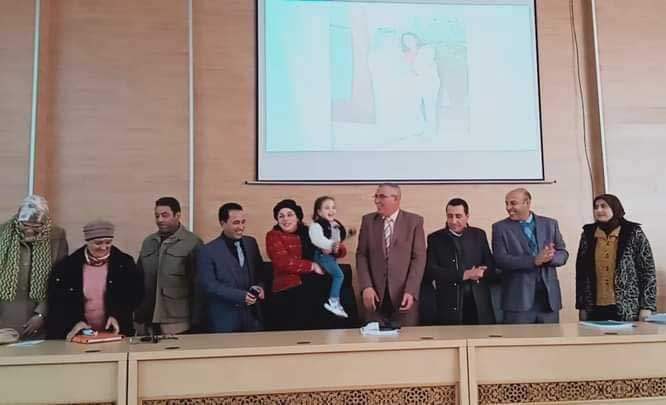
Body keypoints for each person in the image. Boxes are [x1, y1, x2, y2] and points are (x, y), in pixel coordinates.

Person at [46, 220, 144, 340]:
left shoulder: (125, 263)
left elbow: (135, 295)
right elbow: (58, 300)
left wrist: (117, 316)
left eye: (108, 242)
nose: (104, 247)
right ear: (88, 241)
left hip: (115, 333)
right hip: (79, 335)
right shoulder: (67, 266)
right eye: (98, 243)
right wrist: (75, 321)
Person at [492, 188, 568, 324]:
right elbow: (501, 260)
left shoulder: (550, 224)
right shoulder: (500, 228)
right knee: (518, 338)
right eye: (506, 203)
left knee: (551, 338)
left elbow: (563, 253)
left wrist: (550, 257)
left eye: (513, 203)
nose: (508, 208)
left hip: (548, 301)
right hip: (517, 302)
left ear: (527, 203)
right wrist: (534, 260)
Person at [576, 194, 656, 321]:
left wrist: (647, 306)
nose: (599, 210)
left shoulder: (633, 232)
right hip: (595, 307)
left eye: (604, 206)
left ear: (615, 208)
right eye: (596, 207)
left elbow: (648, 271)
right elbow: (581, 273)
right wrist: (582, 306)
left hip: (627, 306)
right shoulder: (588, 234)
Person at [356, 183, 426, 326]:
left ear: (396, 199)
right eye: (376, 196)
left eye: (382, 196)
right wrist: (366, 286)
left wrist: (411, 291)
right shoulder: (368, 221)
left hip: (404, 299)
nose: (377, 201)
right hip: (374, 298)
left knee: (407, 338)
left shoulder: (414, 222)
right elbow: (361, 255)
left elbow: (419, 258)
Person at [0, 195, 68, 339]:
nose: (29, 231)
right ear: (18, 214)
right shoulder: (2, 233)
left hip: (38, 318)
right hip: (5, 314)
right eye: (25, 225)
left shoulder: (56, 235)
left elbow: (60, 280)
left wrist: (42, 314)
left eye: (36, 227)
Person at [134, 197, 203, 335]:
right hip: (147, 317)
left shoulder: (192, 242)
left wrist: (198, 320)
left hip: (177, 319)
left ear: (177, 215)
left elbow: (198, 285)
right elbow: (138, 277)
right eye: (157, 216)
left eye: (165, 215)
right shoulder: (149, 242)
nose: (160, 220)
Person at [424, 198, 497, 325]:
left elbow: (490, 266)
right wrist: (464, 274)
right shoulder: (435, 238)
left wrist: (480, 272)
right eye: (450, 216)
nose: (453, 221)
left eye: (458, 216)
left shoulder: (479, 234)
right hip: (448, 303)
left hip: (478, 302)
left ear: (467, 217)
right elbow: (431, 271)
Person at [197, 203, 265, 333]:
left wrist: (260, 287)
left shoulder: (251, 243)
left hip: (252, 319)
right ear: (223, 223)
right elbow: (209, 285)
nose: (241, 227)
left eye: (243, 222)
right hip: (225, 322)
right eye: (236, 223)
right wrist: (241, 296)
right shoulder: (207, 251)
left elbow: (260, 273)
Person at [265, 199, 326, 330]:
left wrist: (336, 247)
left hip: (314, 287)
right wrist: (312, 266)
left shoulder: (310, 232)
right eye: (281, 216)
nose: (285, 219)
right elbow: (282, 262)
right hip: (288, 291)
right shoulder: (273, 235)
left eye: (289, 214)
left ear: (298, 217)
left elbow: (327, 251)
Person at [309, 196, 349, 318]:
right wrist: (331, 245)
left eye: (333, 207)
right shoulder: (316, 225)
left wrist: (345, 237)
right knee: (339, 275)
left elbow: (337, 239)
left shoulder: (335, 225)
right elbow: (318, 239)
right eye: (327, 208)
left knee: (333, 276)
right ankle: (333, 300)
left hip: (330, 257)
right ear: (319, 212)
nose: (331, 210)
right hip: (322, 256)